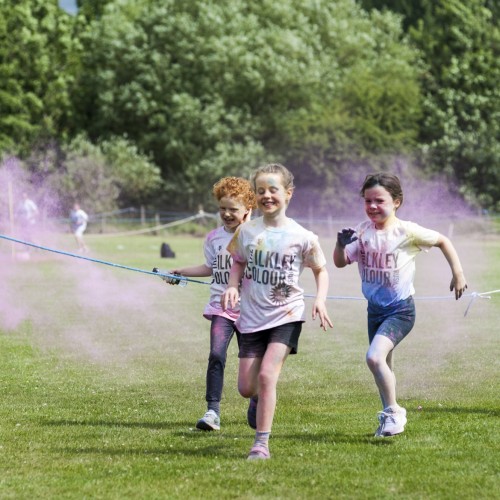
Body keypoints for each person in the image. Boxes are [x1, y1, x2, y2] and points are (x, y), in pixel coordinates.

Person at [333, 173, 467, 437]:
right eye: (367, 201)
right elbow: (339, 262)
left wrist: (458, 273)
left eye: (379, 201)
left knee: (374, 357)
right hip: (375, 311)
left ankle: (395, 412)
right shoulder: (361, 232)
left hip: (400, 310)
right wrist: (339, 245)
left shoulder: (406, 231)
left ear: (396, 202)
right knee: (384, 367)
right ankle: (388, 418)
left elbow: (443, 240)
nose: (372, 206)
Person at [221, 163, 333, 460]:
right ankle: (256, 399)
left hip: (287, 315)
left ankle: (261, 443)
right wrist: (232, 286)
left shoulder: (303, 236)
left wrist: (320, 300)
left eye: (274, 190)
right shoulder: (246, 230)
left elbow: (321, 270)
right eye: (261, 191)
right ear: (254, 196)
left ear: (288, 193)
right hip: (252, 317)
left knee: (268, 375)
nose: (267, 195)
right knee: (247, 387)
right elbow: (238, 261)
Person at [165, 177, 256, 431]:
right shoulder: (214, 238)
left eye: (233, 209)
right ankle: (212, 412)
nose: (226, 214)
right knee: (216, 355)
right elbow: (210, 267)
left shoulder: (257, 236)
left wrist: (247, 230)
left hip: (251, 312)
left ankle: (257, 400)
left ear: (248, 210)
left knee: (250, 364)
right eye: (222, 208)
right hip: (221, 308)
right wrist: (181, 271)